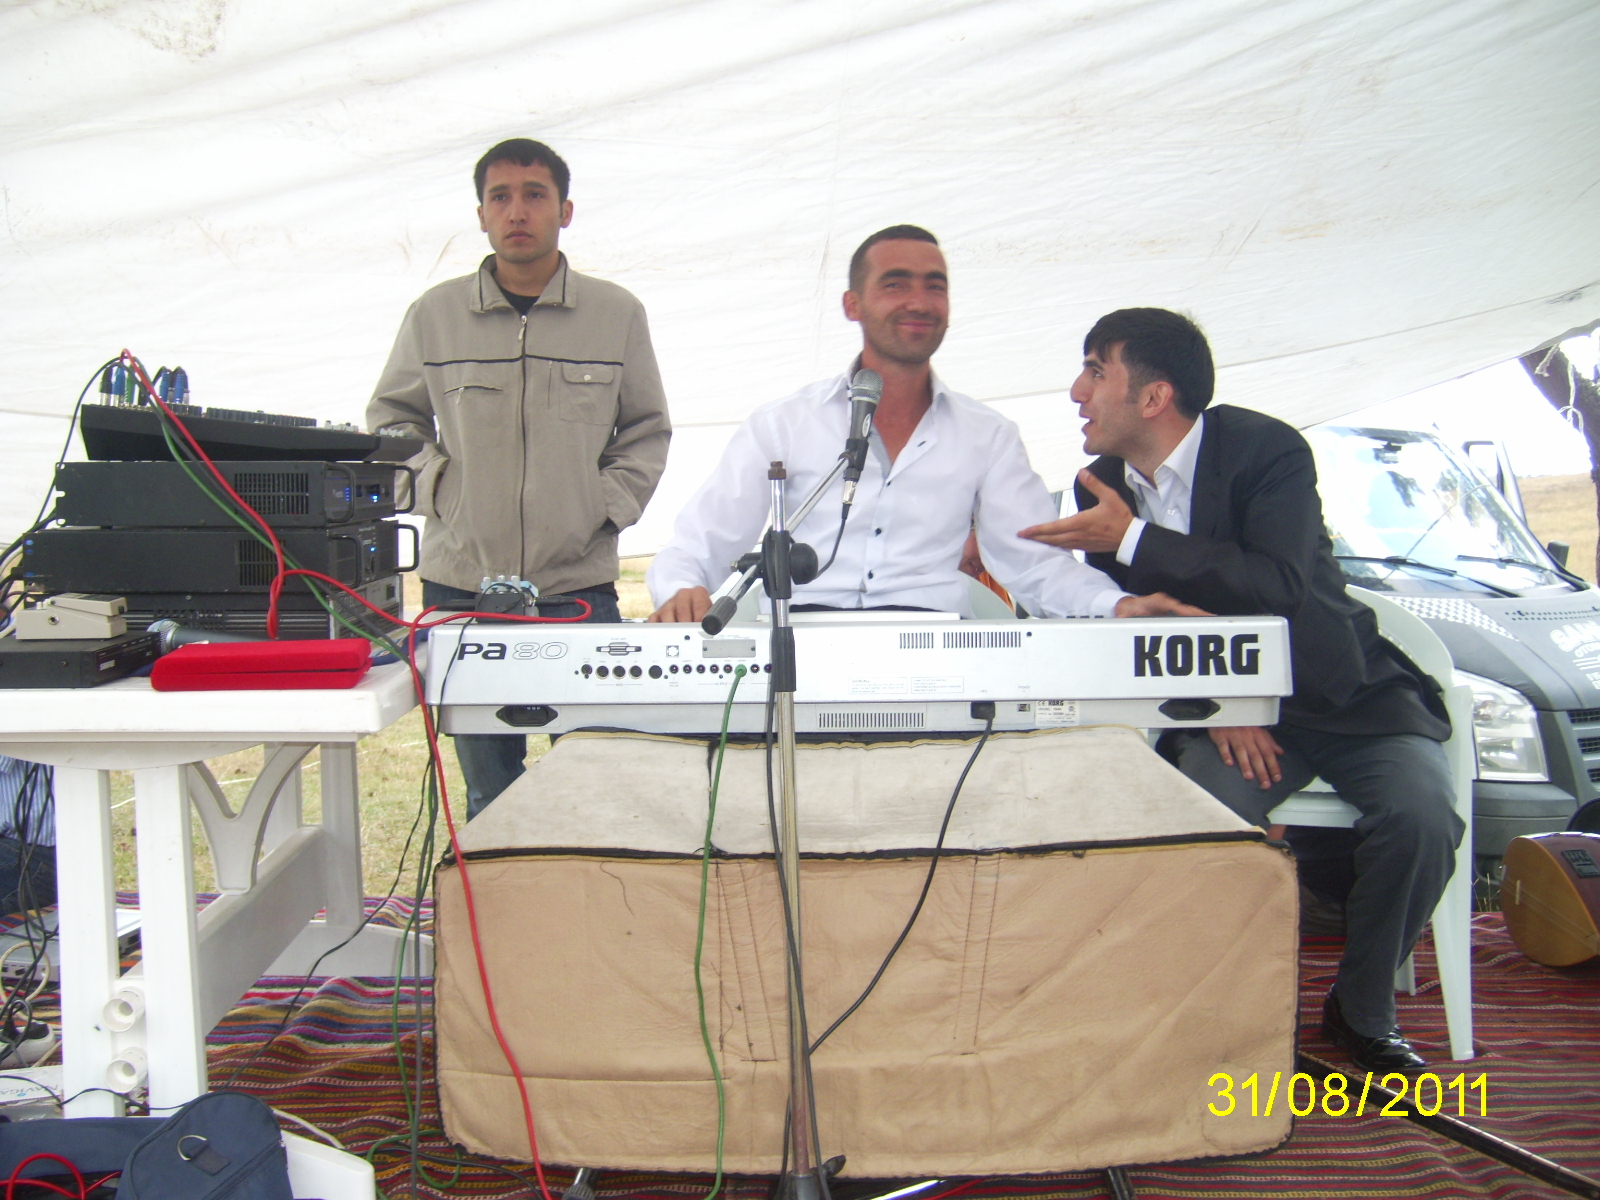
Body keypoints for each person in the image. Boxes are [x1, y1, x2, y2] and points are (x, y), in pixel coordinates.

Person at [1019, 307, 1463, 1072]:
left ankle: (1361, 1010)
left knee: (1422, 818)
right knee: (1194, 820)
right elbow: (1134, 623)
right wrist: (1219, 701)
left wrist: (1132, 538)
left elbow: (1277, 585)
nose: (1075, 391)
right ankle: (1213, 1011)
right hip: (1226, 711)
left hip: (1345, 693)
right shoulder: (1102, 485)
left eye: (1095, 370)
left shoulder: (1267, 450)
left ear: (1154, 396)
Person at [648, 227, 1194, 622]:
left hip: (936, 659)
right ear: (852, 305)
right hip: (798, 649)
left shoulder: (988, 435)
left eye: (935, 286)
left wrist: (1115, 605)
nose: (919, 301)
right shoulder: (783, 424)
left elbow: (1034, 564)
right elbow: (699, 542)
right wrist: (681, 590)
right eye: (895, 284)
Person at [368, 139, 671, 816]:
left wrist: (603, 507)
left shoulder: (616, 314)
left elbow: (647, 429)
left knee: (593, 784)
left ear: (565, 210)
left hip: (576, 587)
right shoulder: (434, 316)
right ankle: (493, 888)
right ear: (480, 214)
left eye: (535, 195)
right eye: (499, 197)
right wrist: (439, 491)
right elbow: (391, 422)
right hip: (462, 586)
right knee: (489, 793)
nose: (517, 211)